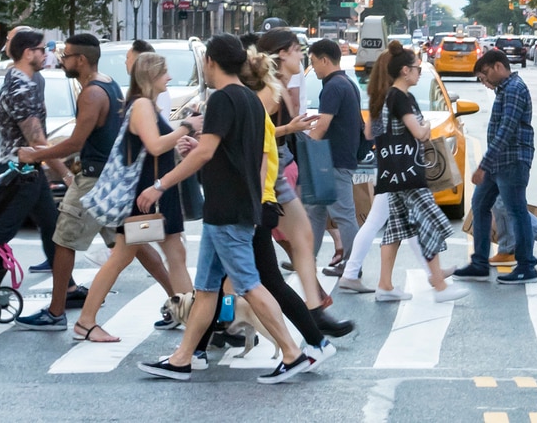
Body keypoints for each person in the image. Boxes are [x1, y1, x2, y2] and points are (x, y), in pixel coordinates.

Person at [135, 33, 316, 383]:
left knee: (249, 284)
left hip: (227, 209)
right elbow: (236, 154)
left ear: (210, 63)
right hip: (233, 206)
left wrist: (160, 184)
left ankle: (293, 354)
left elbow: (207, 152)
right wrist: (201, 150)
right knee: (205, 289)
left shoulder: (221, 100)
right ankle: (182, 358)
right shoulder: (250, 100)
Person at [72, 52, 196, 343]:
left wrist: (181, 138)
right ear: (152, 76)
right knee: (123, 257)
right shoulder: (142, 105)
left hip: (151, 195)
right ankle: (86, 322)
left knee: (174, 255)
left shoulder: (145, 105)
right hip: (145, 196)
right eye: (165, 73)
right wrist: (187, 126)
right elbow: (154, 146)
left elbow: (153, 147)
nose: (170, 78)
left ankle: (194, 320)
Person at [19, 33, 123, 330]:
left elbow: (76, 142)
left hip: (92, 180)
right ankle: (179, 298)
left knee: (63, 241)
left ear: (81, 59)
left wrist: (37, 155)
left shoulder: (90, 93)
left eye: (66, 56)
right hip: (108, 176)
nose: (61, 60)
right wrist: (48, 150)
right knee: (134, 244)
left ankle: (55, 312)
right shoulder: (110, 84)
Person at [239, 49, 336, 364]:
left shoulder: (254, 114)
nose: (276, 102)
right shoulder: (258, 114)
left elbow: (260, 160)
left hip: (253, 209)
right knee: (225, 281)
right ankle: (198, 344)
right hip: (254, 207)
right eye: (272, 94)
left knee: (266, 282)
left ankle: (309, 344)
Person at [369, 48, 468, 306]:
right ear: (405, 70)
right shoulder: (403, 97)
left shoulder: (382, 97)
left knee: (396, 229)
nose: (419, 72)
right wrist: (424, 127)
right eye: (417, 68)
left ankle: (385, 285)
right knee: (429, 223)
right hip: (410, 172)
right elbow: (419, 133)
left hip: (391, 173)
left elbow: (371, 134)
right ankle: (439, 284)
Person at [257, 29, 343, 326]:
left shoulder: (281, 84)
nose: (301, 55)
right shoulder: (270, 90)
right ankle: (311, 310)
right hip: (266, 168)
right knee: (244, 258)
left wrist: (291, 129)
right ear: (281, 54)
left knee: (302, 238)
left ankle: (314, 307)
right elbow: (255, 133)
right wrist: (288, 130)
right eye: (296, 50)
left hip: (277, 166)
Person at [456, 48, 537, 284]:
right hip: (499, 163)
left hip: (512, 161)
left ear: (499, 66)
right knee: (479, 205)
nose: (484, 81)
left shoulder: (515, 89)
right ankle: (479, 263)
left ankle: (527, 266)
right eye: (480, 78)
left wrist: (483, 165)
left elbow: (506, 131)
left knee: (517, 211)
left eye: (485, 74)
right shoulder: (504, 89)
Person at [0, 28, 60, 265]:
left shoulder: (19, 81)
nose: (46, 54)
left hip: (26, 168)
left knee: (51, 224)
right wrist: (66, 173)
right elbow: (36, 140)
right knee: (3, 229)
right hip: (20, 170)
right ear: (28, 52)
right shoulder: (21, 87)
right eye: (42, 49)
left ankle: (67, 285)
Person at [305, 37, 363, 273]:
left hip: (334, 160)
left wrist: (303, 150)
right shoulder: (346, 83)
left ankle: (352, 265)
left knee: (343, 215)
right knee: (316, 211)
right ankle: (306, 259)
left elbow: (322, 125)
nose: (314, 66)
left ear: (325, 60)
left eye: (314, 61)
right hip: (335, 158)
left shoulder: (333, 87)